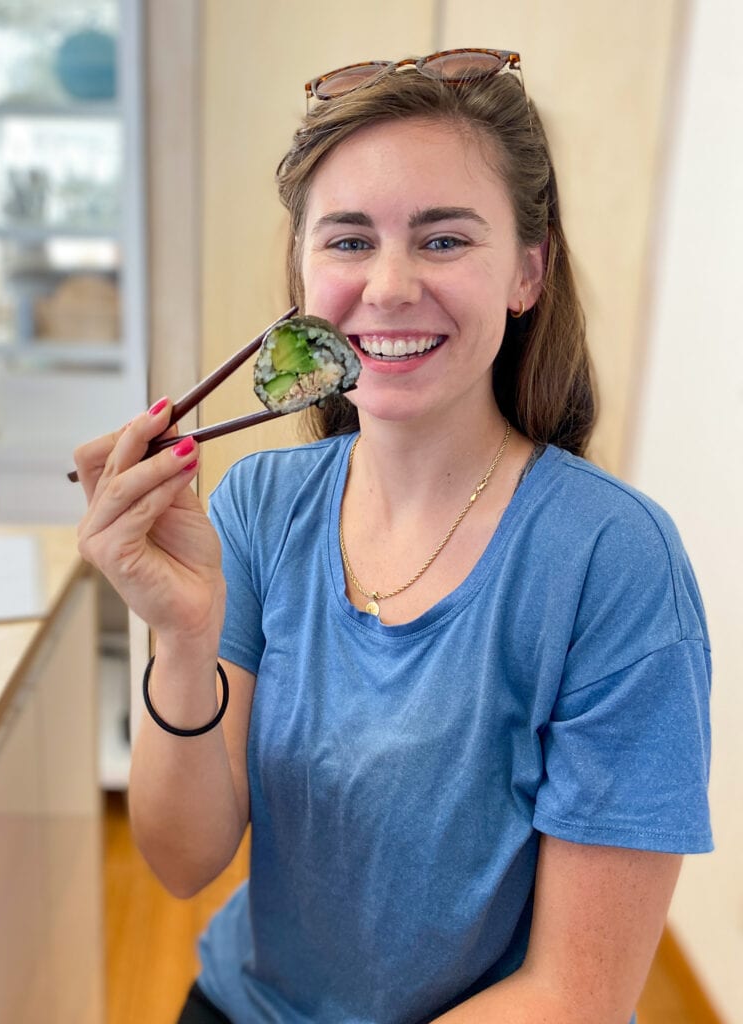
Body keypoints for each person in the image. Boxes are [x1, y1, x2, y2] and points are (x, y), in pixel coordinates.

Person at [74, 49, 712, 1024]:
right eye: (348, 240)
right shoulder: (256, 504)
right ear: (301, 271)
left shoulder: (613, 564)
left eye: (445, 239)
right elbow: (179, 856)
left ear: (528, 270)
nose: (388, 285)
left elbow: (577, 993)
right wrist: (182, 634)